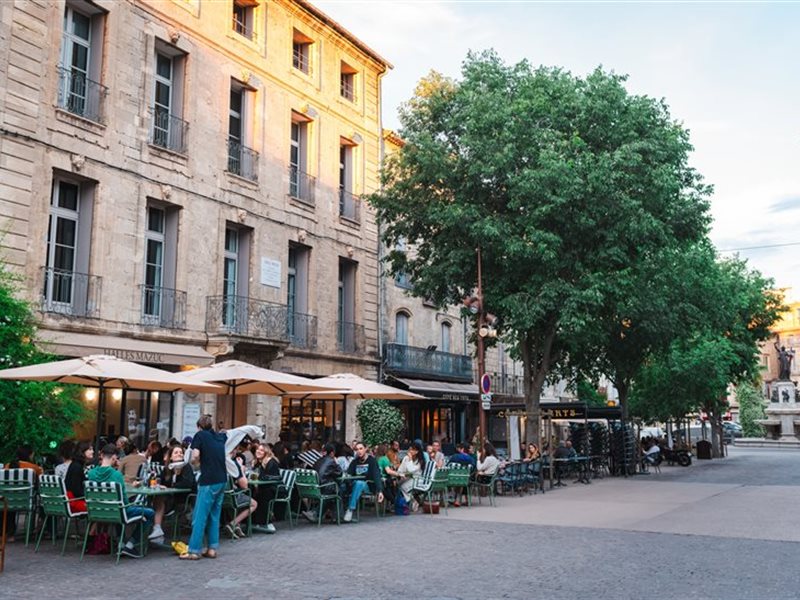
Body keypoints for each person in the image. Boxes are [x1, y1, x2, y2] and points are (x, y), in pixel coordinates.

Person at [88, 443, 154, 558]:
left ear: (101, 455)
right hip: (116, 512)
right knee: (150, 513)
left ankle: (121, 543)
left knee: (118, 508)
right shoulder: (117, 475)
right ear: (114, 457)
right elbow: (123, 501)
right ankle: (130, 545)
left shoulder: (91, 474)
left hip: (97, 512)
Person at [182, 414, 227, 560]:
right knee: (214, 515)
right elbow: (226, 436)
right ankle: (212, 548)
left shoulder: (200, 435)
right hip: (222, 479)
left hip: (208, 480)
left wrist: (196, 464)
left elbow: (195, 455)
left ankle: (194, 550)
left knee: (199, 516)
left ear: (199, 426)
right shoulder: (219, 436)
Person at [149, 445, 195, 541]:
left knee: (159, 499)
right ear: (170, 456)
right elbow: (160, 481)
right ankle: (156, 529)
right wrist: (159, 485)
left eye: (181, 452)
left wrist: (176, 478)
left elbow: (187, 484)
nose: (179, 454)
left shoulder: (186, 467)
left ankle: (157, 529)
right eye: (176, 452)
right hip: (170, 498)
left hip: (183, 500)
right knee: (156, 499)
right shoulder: (168, 468)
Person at [343, 442, 384, 523]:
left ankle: (350, 509)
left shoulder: (372, 461)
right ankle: (338, 513)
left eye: (361, 449)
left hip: (368, 485)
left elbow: (376, 476)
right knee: (341, 486)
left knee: (359, 483)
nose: (359, 451)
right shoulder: (355, 462)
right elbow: (349, 473)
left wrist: (380, 491)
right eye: (357, 449)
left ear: (365, 449)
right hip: (354, 484)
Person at [302, 443, 342, 522]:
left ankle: (320, 513)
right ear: (332, 453)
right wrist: (336, 461)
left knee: (334, 491)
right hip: (324, 488)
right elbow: (340, 473)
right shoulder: (331, 461)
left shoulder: (318, 461)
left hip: (314, 488)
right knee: (338, 491)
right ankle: (337, 516)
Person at [226, 450, 257, 539]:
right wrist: (240, 468)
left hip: (221, 496)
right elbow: (245, 486)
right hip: (232, 496)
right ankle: (233, 524)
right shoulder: (233, 464)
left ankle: (237, 527)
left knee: (235, 503)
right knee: (254, 504)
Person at [250, 442, 280, 533]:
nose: (258, 451)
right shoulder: (258, 462)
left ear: (266, 452)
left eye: (262, 450)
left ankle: (264, 522)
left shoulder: (271, 462)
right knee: (250, 492)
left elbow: (274, 477)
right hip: (264, 487)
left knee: (262, 495)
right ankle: (253, 521)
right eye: (258, 449)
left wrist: (259, 478)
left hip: (274, 488)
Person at [387, 441, 424, 510]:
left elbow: (411, 470)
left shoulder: (419, 461)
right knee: (395, 484)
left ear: (416, 451)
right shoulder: (406, 458)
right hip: (407, 477)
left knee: (402, 487)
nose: (410, 451)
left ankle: (410, 501)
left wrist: (410, 459)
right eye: (409, 449)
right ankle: (403, 502)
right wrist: (398, 475)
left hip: (417, 479)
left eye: (412, 449)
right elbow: (402, 468)